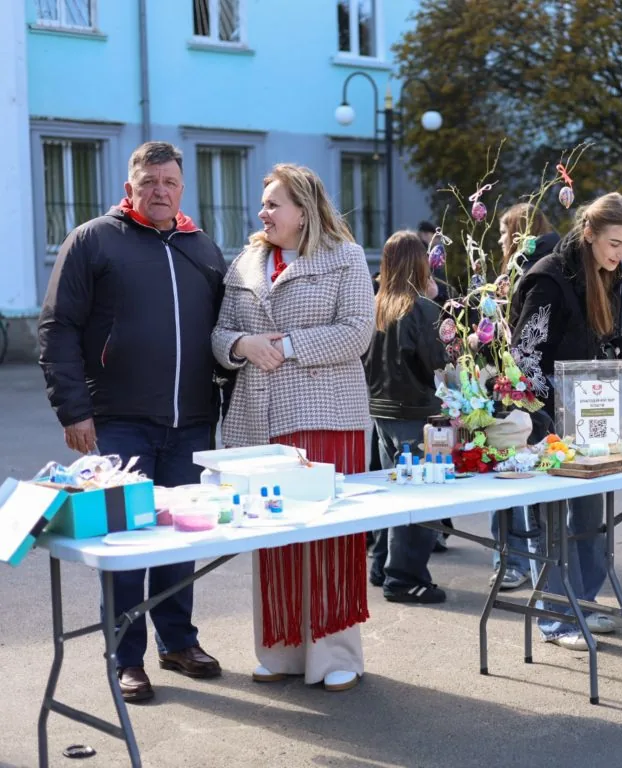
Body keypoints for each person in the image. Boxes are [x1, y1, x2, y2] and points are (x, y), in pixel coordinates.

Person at [38, 141, 225, 703]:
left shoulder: (203, 249)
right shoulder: (94, 240)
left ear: (182, 188)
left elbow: (226, 332)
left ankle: (178, 642)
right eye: (149, 183)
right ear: (130, 188)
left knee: (177, 543)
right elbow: (58, 329)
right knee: (125, 542)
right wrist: (74, 411)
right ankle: (126, 657)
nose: (160, 191)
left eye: (169, 182)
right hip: (117, 423)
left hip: (191, 423)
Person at [211, 163, 374, 692]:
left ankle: (335, 655)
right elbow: (219, 331)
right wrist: (240, 346)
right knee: (274, 535)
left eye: (274, 204)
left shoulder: (345, 257)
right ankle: (280, 651)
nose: (264, 213)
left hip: (326, 414)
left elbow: (356, 334)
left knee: (327, 537)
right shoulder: (247, 262)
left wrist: (287, 346)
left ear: (304, 211)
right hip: (258, 417)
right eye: (263, 204)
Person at [509, 192, 622, 650]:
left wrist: (614, 381)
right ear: (589, 234)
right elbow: (524, 358)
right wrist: (545, 419)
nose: (621, 255)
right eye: (614, 244)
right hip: (547, 421)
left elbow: (611, 338)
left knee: (592, 517)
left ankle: (584, 603)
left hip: (594, 418)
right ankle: (555, 617)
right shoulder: (548, 278)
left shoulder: (611, 274)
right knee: (552, 523)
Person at [362, 231, 448, 603]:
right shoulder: (423, 310)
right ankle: (404, 577)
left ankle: (382, 565)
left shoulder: (373, 305)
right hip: (420, 413)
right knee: (422, 498)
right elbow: (439, 363)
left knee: (392, 494)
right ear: (421, 265)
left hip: (381, 412)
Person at [486, 204, 561, 591]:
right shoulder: (524, 270)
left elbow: (521, 340)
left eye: (503, 233)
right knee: (514, 470)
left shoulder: (531, 272)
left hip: (520, 389)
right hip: (517, 385)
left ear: (517, 233)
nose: (499, 241)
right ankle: (515, 561)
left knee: (511, 469)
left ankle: (513, 562)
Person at [418, 218, 450, 304]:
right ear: (424, 235)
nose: (437, 240)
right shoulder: (423, 252)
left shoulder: (420, 250)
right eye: (435, 236)